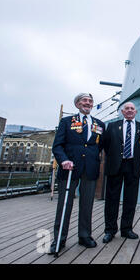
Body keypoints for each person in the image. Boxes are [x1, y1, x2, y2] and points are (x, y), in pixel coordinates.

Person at [49, 93, 105, 254]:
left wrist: (93, 159)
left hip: (90, 169)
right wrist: (63, 160)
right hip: (69, 168)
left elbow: (98, 146)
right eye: (84, 101)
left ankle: (85, 235)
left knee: (87, 205)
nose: (87, 103)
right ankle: (59, 238)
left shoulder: (99, 124)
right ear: (77, 104)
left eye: (90, 101)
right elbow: (57, 145)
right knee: (65, 205)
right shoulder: (67, 122)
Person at [102, 102, 140, 243]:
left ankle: (126, 229)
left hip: (133, 166)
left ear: (136, 112)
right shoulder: (112, 127)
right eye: (126, 109)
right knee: (112, 199)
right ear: (122, 112)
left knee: (131, 199)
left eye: (132, 109)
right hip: (115, 165)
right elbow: (106, 145)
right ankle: (110, 230)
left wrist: (134, 158)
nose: (129, 110)